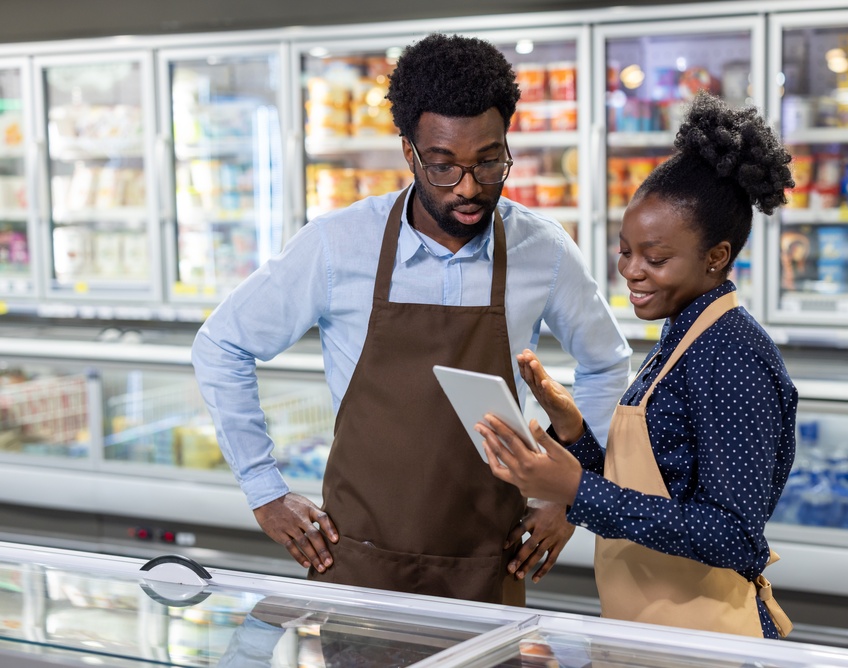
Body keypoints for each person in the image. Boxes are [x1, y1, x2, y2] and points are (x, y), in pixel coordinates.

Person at [191, 32, 631, 606]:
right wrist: (263, 489)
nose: (470, 189)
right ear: (409, 151)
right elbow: (221, 344)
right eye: (444, 166)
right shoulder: (337, 244)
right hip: (357, 562)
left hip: (488, 564)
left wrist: (572, 496)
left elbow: (607, 364)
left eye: (490, 162)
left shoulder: (541, 250)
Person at [476, 92, 797, 638]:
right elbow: (660, 486)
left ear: (715, 257)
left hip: (711, 642)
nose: (632, 271)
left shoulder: (734, 356)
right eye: (626, 251)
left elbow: (734, 535)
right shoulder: (682, 334)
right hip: (654, 633)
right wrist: (574, 430)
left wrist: (576, 491)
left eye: (657, 258)